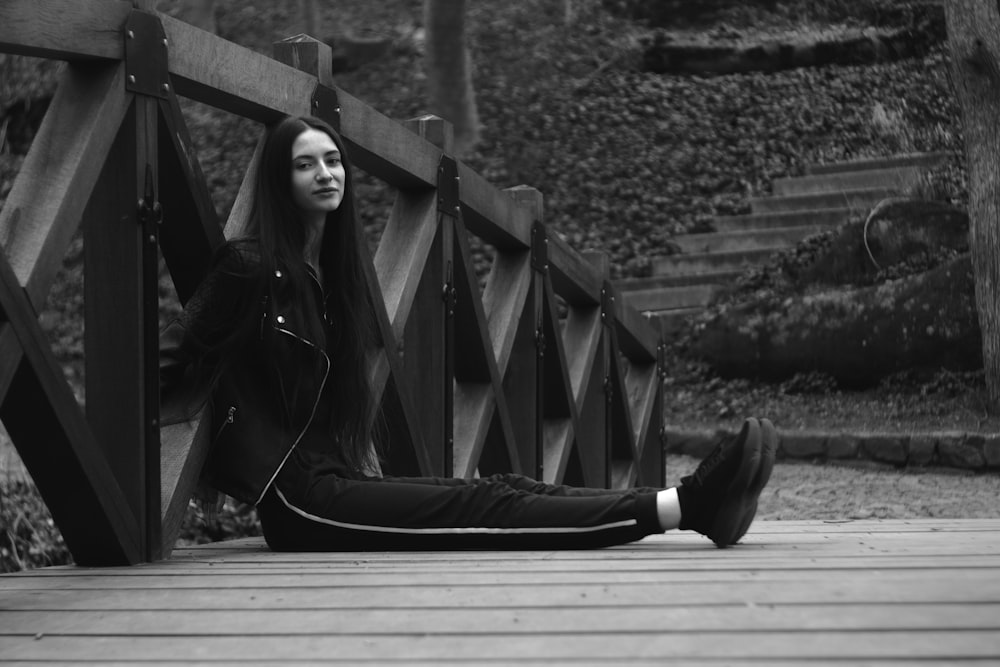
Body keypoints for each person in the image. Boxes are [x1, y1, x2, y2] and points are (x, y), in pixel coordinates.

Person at [160, 115, 777, 552]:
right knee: (483, 509)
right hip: (299, 502)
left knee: (502, 487)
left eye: (333, 160)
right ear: (280, 180)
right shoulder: (246, 267)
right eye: (305, 164)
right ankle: (687, 505)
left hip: (336, 482)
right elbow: (174, 351)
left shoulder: (327, 277)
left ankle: (690, 507)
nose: (326, 173)